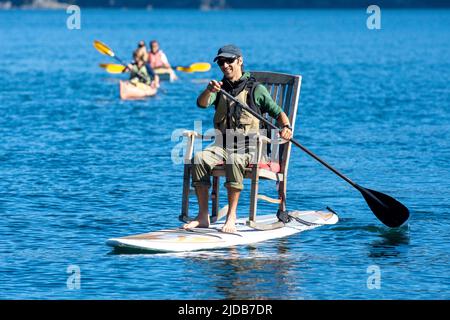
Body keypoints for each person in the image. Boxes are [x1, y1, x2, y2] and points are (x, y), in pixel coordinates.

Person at [183, 44, 293, 233]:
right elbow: (201, 104)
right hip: (221, 145)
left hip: (249, 148)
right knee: (199, 158)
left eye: (229, 61)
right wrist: (209, 90)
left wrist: (286, 127)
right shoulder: (219, 88)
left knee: (234, 160)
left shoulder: (256, 90)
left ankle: (231, 217)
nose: (225, 65)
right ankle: (203, 216)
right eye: (221, 63)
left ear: (240, 61)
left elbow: (278, 113)